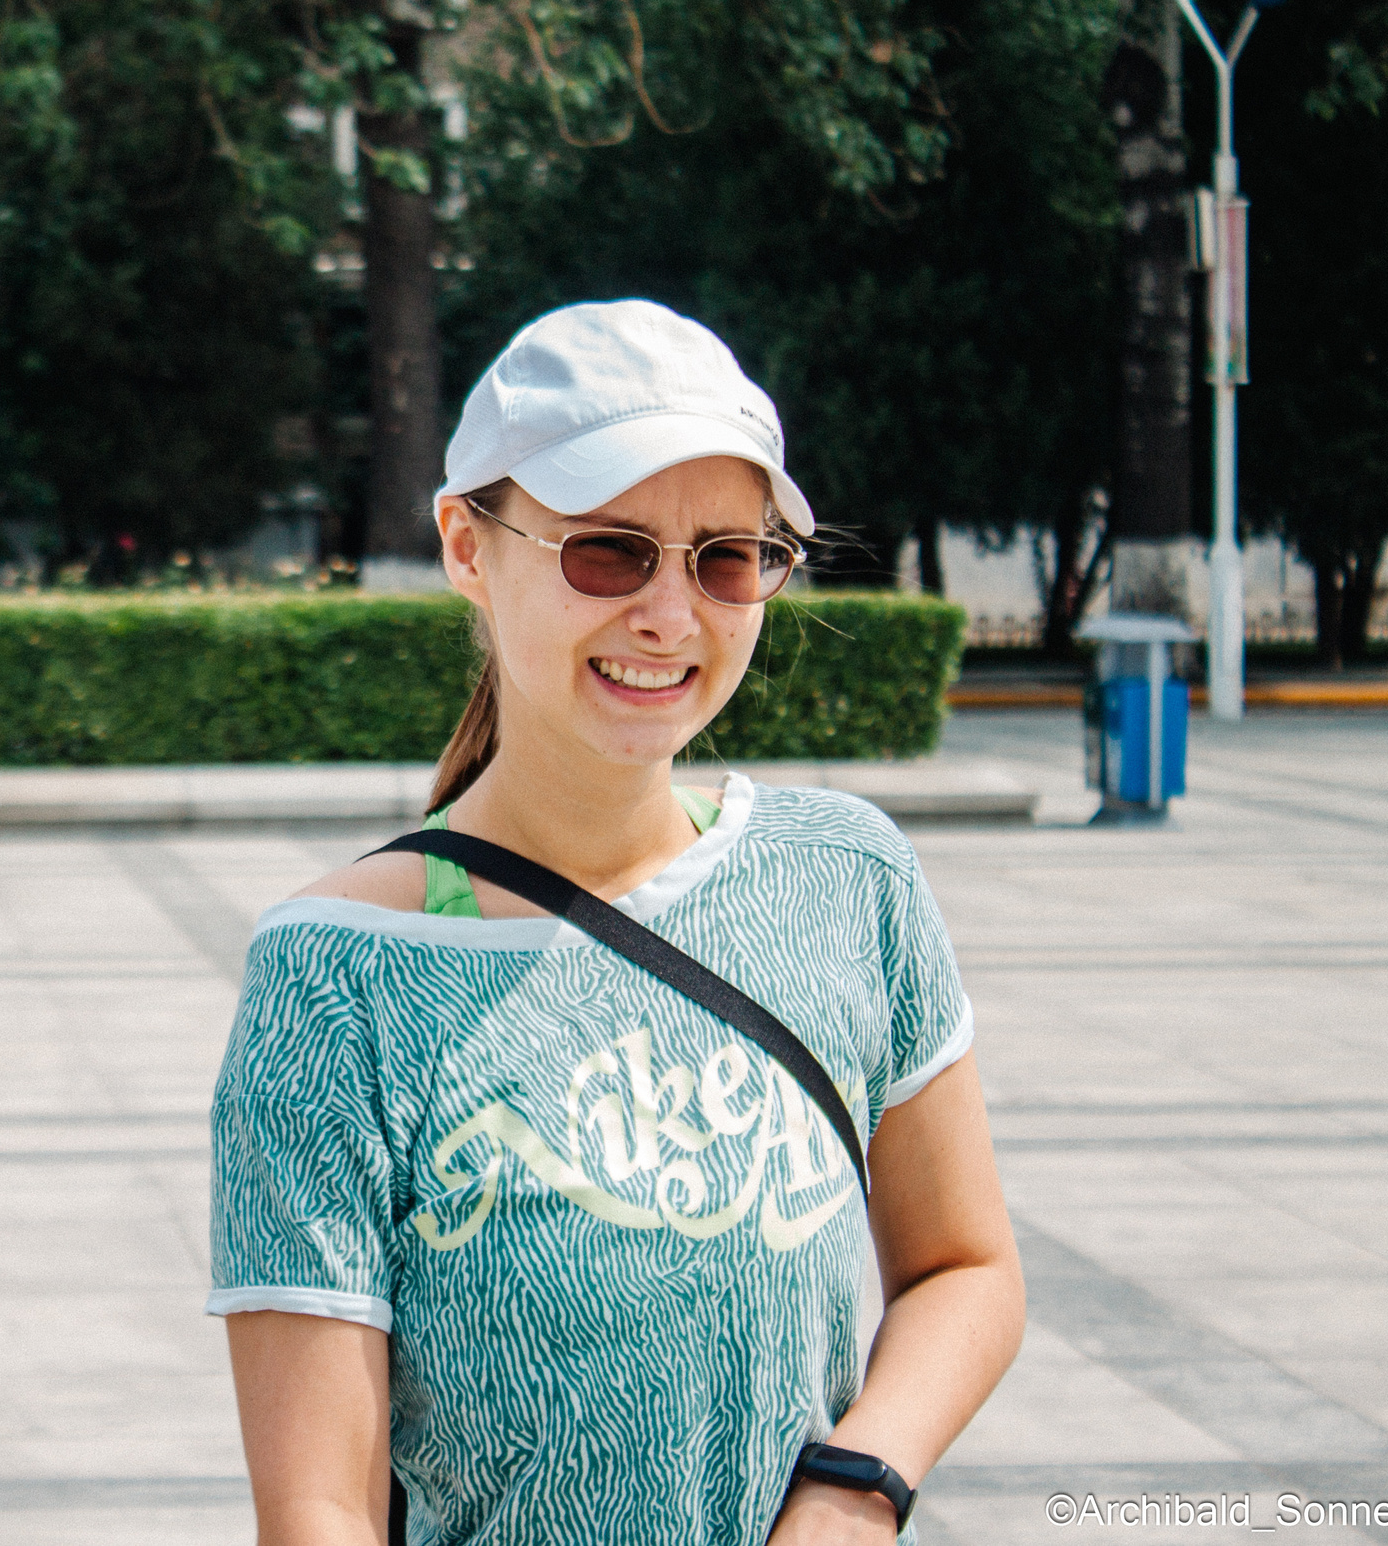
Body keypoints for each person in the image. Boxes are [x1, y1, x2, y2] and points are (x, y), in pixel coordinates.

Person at [208, 301, 1024, 1545]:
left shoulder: (848, 878)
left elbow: (966, 1270)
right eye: (609, 552)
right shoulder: (334, 975)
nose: (669, 614)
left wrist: (855, 1492)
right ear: (467, 547)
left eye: (726, 558)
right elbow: (319, 1507)